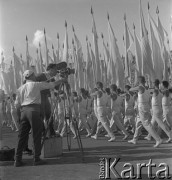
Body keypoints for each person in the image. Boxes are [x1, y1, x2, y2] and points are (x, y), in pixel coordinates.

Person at [14, 70, 66, 167]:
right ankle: (36, 158)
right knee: (36, 135)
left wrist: (20, 116)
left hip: (23, 111)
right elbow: (51, 85)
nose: (35, 76)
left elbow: (17, 104)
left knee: (21, 136)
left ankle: (17, 159)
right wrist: (61, 80)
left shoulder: (20, 88)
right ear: (32, 76)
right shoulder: (36, 84)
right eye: (34, 74)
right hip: (34, 111)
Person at [128, 76, 162, 148]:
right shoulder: (146, 88)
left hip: (142, 107)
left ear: (139, 81)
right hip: (145, 106)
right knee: (138, 123)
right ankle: (135, 139)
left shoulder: (140, 87)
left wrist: (135, 85)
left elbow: (130, 89)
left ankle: (158, 139)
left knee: (146, 124)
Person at [36, 63, 59, 137]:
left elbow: (57, 88)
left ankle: (51, 132)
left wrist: (62, 79)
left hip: (46, 98)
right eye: (55, 69)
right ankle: (42, 133)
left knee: (49, 115)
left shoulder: (52, 78)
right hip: (39, 98)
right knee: (41, 116)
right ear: (51, 69)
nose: (56, 71)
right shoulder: (40, 76)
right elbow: (30, 84)